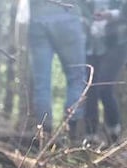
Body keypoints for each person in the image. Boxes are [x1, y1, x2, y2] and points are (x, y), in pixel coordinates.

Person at [27, 0, 87, 141]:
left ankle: (44, 133)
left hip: (37, 18)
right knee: (76, 78)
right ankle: (72, 131)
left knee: (41, 82)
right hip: (68, 16)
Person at [84, 0, 127, 145]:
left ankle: (114, 134)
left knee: (104, 87)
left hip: (116, 42)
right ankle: (90, 138)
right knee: (89, 89)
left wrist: (112, 15)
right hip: (90, 44)